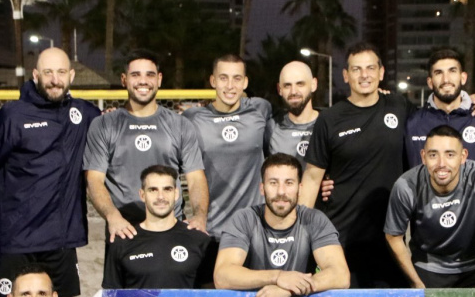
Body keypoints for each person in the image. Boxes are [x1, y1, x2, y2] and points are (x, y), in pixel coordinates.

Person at [0, 47, 100, 297]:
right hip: (17, 238)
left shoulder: (84, 113)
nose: (55, 79)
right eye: (48, 72)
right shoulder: (13, 114)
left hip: (62, 237)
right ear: (35, 75)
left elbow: (116, 129)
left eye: (61, 72)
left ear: (72, 75)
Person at [299, 42, 414, 287]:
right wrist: (299, 232)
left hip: (390, 239)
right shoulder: (329, 119)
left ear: (381, 73)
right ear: (346, 75)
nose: (364, 75)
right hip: (341, 239)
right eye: (357, 69)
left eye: (371, 68)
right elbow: (311, 178)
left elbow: (436, 114)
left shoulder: (399, 106)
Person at [83, 54, 209, 246]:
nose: (143, 81)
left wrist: (200, 216)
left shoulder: (180, 125)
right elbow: (94, 179)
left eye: (150, 75)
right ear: (124, 80)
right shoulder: (104, 125)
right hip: (124, 228)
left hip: (170, 226)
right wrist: (113, 217)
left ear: (159, 79)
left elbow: (195, 178)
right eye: (135, 74)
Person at [385, 125, 475, 292]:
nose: (441, 164)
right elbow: (394, 237)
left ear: (463, 156)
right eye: (433, 155)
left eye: (450, 155)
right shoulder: (406, 186)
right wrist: (415, 281)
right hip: (430, 269)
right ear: (423, 157)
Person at [215, 153, 350, 297]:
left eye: (289, 183)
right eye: (273, 183)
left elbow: (340, 274)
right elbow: (222, 276)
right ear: (262, 188)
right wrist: (278, 277)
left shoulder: (315, 220)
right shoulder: (244, 219)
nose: (281, 191)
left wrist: (290, 289)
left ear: (299, 188)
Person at [182, 54, 272, 246]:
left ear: (245, 82)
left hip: (254, 229)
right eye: (223, 78)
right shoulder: (192, 118)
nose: (230, 86)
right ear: (213, 81)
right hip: (210, 229)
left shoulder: (260, 110)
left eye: (237, 78)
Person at [103, 165, 214, 289]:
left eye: (167, 189)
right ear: (142, 194)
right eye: (153, 190)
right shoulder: (123, 242)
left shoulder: (199, 240)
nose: (161, 197)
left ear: (176, 193)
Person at [405, 47, 475, 167]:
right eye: (439, 73)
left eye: (452, 71)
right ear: (430, 82)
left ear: (463, 78)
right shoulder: (413, 123)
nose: (446, 79)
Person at [265, 60, 318, 164]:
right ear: (279, 89)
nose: (293, 91)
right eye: (287, 85)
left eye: (300, 84)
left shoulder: (330, 125)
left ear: (314, 84)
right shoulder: (271, 128)